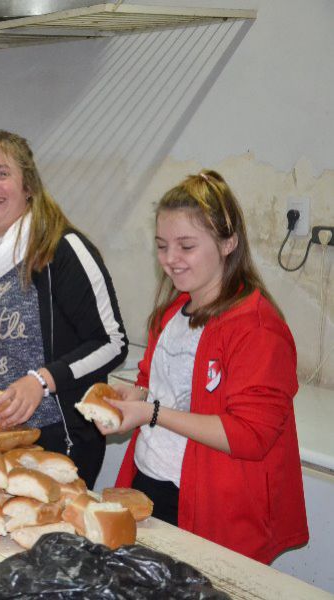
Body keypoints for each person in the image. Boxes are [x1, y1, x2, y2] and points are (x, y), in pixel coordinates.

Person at [99, 170, 308, 563]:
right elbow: (152, 381)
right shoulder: (172, 312)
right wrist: (132, 396)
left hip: (213, 510)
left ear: (229, 242)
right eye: (162, 246)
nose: (170, 260)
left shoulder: (257, 329)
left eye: (186, 246)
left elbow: (249, 435)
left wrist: (152, 412)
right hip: (151, 484)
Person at [0, 129, 128, 489]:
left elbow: (111, 342)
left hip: (48, 441)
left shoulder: (62, 251)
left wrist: (42, 381)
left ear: (28, 185)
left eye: (2, 174)